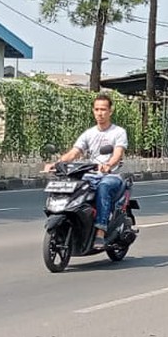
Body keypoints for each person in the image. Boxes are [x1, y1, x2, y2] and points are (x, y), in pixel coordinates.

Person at [46, 94, 128, 238]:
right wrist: (57, 164)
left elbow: (118, 154)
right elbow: (74, 153)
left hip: (111, 175)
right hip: (91, 175)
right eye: (97, 109)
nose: (100, 113)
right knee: (73, 186)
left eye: (103, 109)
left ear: (110, 111)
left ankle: (101, 230)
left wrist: (108, 165)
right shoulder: (88, 133)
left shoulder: (118, 132)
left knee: (104, 187)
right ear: (93, 111)